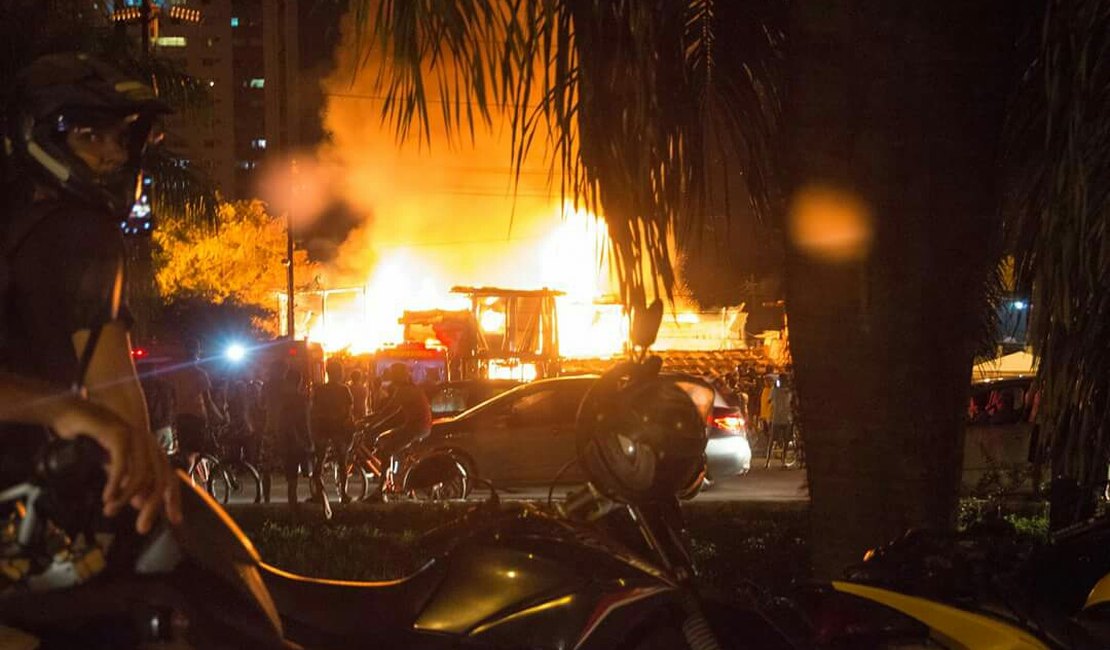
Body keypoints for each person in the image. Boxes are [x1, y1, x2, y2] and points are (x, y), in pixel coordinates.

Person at [0, 52, 179, 533]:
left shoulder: (20, 226)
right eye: (89, 136)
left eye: (119, 137)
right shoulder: (85, 235)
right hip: (34, 511)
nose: (115, 154)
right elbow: (112, 382)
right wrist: (137, 461)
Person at [367, 363, 432, 496]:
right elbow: (388, 412)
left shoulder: (405, 391)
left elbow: (388, 411)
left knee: (387, 450)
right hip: (418, 427)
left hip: (416, 428)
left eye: (393, 374)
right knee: (390, 441)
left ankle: (382, 488)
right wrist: (368, 419)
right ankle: (397, 479)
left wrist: (372, 425)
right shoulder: (409, 388)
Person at [167, 339, 224, 471]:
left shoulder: (177, 374)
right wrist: (219, 416)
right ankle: (187, 476)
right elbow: (208, 400)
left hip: (181, 417)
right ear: (198, 352)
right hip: (196, 418)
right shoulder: (200, 374)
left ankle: (186, 477)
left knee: (185, 452)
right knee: (195, 452)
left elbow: (173, 397)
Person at [310, 359, 354, 503]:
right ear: (339, 373)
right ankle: (344, 494)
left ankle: (318, 494)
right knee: (342, 462)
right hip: (338, 429)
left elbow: (314, 410)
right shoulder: (344, 389)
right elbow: (349, 411)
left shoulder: (320, 390)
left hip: (322, 429)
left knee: (320, 462)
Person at [276, 368, 311, 508]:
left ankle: (293, 507)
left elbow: (283, 422)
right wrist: (308, 441)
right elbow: (306, 422)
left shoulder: (283, 400)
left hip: (288, 443)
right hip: (299, 442)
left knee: (292, 479)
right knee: (311, 474)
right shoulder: (302, 400)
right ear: (299, 382)